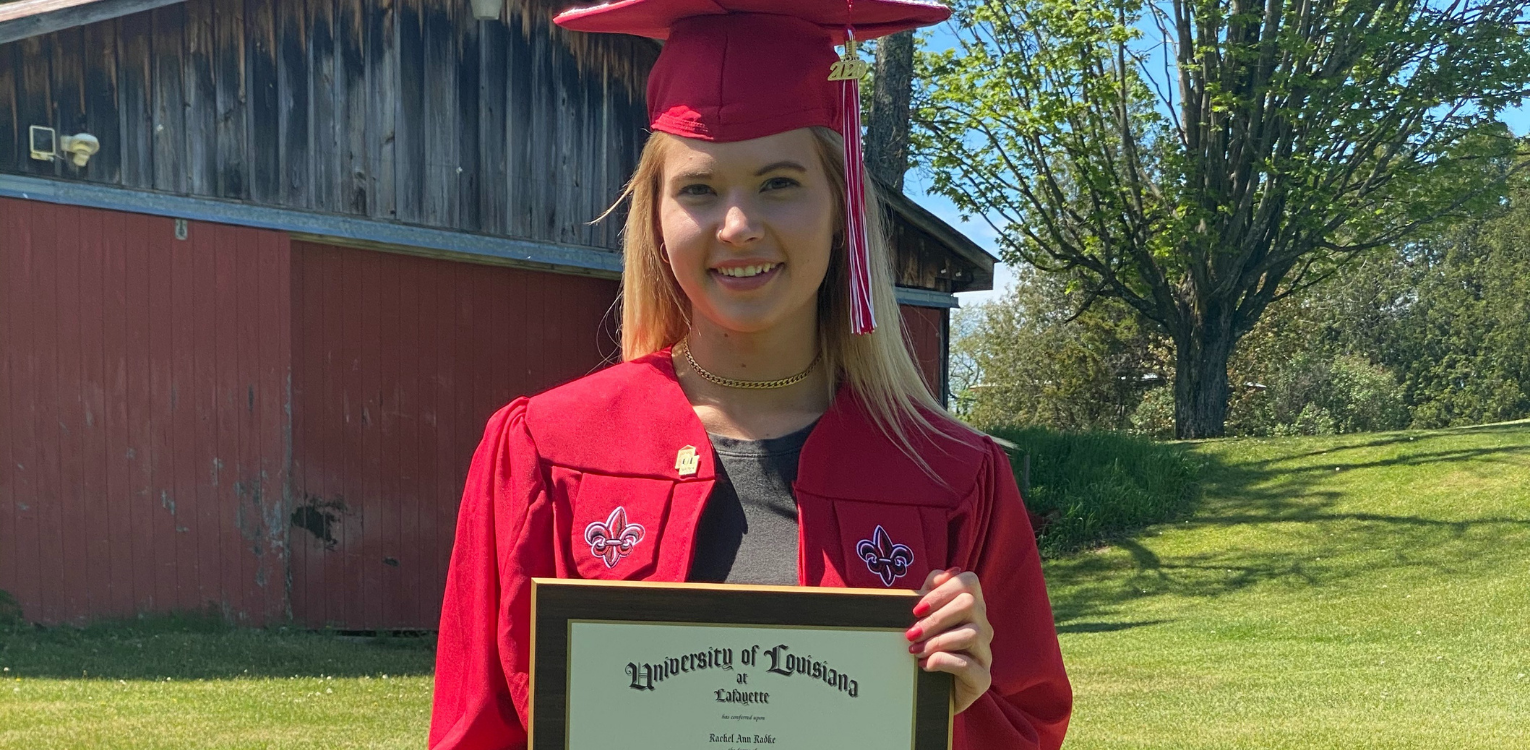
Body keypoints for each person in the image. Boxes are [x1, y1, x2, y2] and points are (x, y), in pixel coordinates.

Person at [427, 1, 1072, 748]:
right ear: (656, 216)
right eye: (699, 189)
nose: (738, 225)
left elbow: (1026, 729)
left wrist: (966, 706)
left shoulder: (951, 477)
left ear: (841, 209)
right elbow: (476, 728)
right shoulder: (544, 451)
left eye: (779, 183)